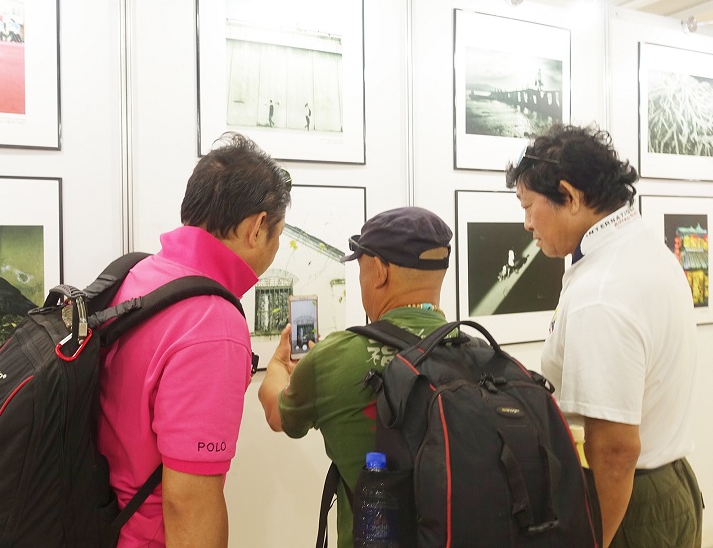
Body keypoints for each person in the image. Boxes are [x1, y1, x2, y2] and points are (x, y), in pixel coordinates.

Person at [505, 123, 703, 548]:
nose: (526, 223)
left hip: (628, 502)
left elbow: (615, 452)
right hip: (669, 484)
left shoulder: (601, 292)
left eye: (529, 206)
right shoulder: (641, 247)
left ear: (570, 196)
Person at [97, 131, 291, 548]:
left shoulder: (140, 275)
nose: (276, 247)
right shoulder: (212, 322)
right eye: (278, 234)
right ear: (257, 227)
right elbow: (188, 503)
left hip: (101, 522)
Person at [258, 206, 452, 548]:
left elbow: (277, 414)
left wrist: (276, 366)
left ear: (378, 272)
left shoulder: (332, 358)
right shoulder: (477, 352)